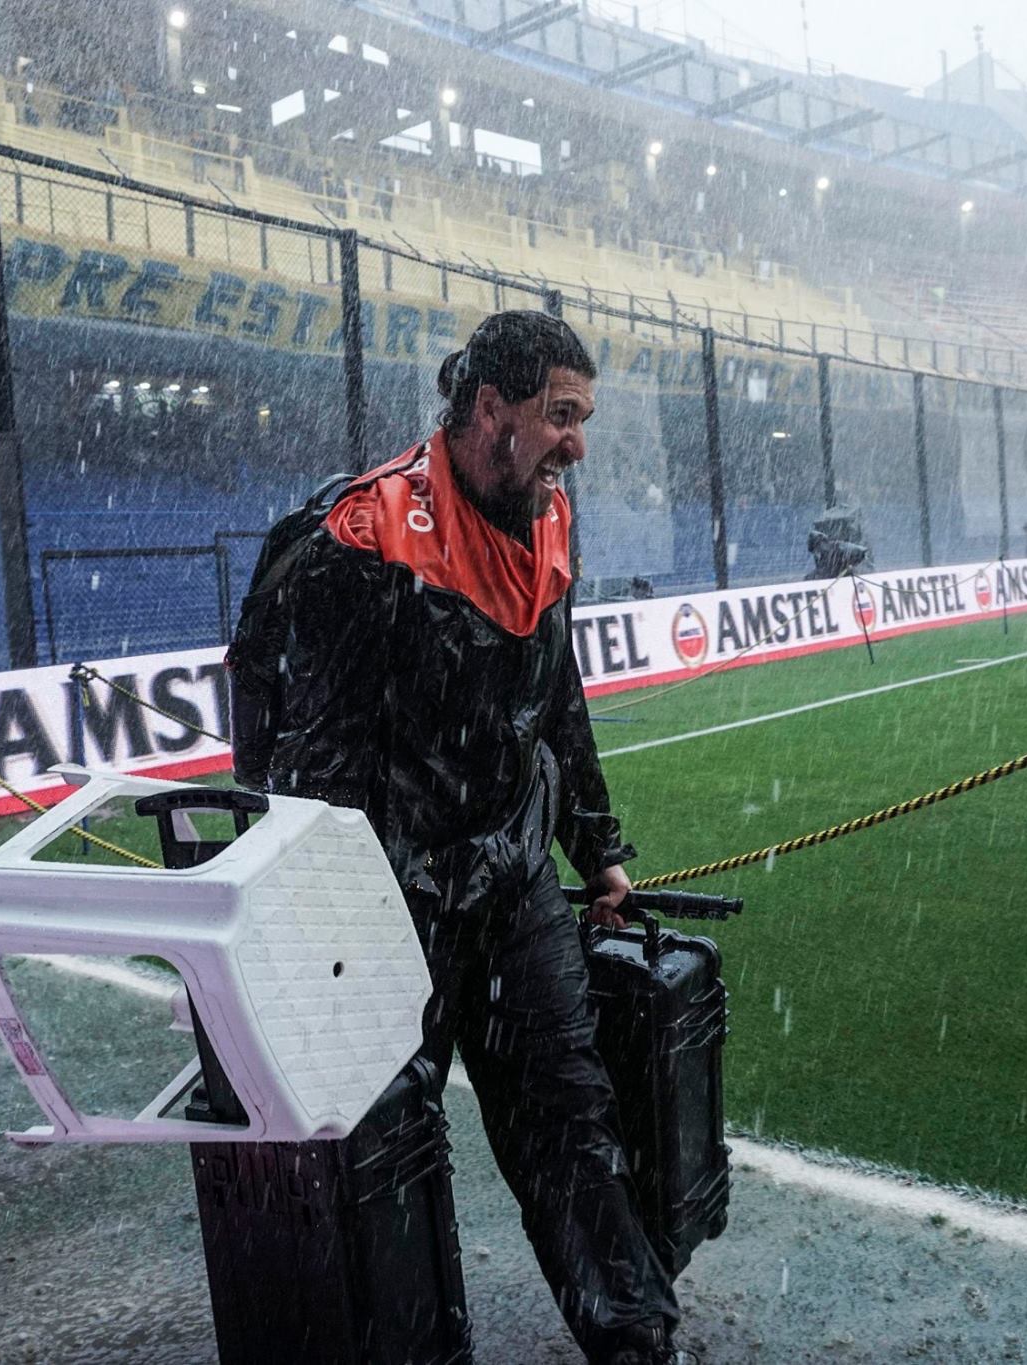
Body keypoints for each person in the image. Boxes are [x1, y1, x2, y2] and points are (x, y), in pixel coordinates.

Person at [226, 311, 690, 1365]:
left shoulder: (549, 518)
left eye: (581, 418)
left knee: (571, 1117)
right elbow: (308, 768)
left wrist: (598, 850)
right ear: (492, 410)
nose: (576, 442)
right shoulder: (363, 539)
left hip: (511, 876)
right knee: (389, 1145)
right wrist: (330, 924)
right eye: (560, 417)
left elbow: (551, 704)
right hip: (383, 900)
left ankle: (631, 1338)